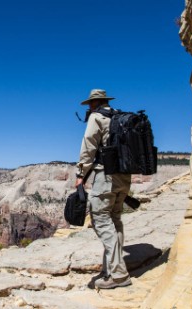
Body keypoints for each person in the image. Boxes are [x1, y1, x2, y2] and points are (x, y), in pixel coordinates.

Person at [75, 89, 132, 289]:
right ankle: (112, 268)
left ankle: (118, 275)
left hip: (106, 176)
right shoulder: (120, 116)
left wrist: (80, 174)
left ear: (94, 103)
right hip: (125, 176)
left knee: (100, 218)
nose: (88, 108)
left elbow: (89, 147)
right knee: (115, 220)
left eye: (90, 104)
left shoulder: (97, 117)